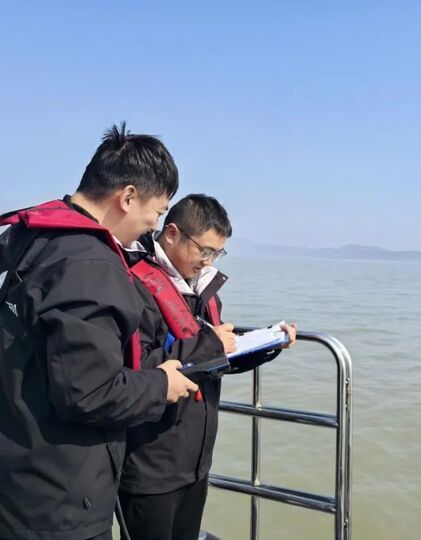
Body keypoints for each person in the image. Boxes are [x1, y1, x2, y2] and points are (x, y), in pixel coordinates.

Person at [0, 124, 198, 540]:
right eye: (156, 211)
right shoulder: (89, 264)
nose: (152, 226)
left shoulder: (34, 236)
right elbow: (89, 393)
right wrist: (160, 384)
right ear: (127, 197)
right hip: (46, 505)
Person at [118, 194, 297, 540]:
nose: (208, 262)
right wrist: (210, 343)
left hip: (195, 462)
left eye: (217, 254)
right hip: (150, 464)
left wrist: (269, 344)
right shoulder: (133, 284)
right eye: (205, 251)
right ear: (172, 233)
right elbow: (136, 366)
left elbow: (215, 360)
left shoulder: (204, 289)